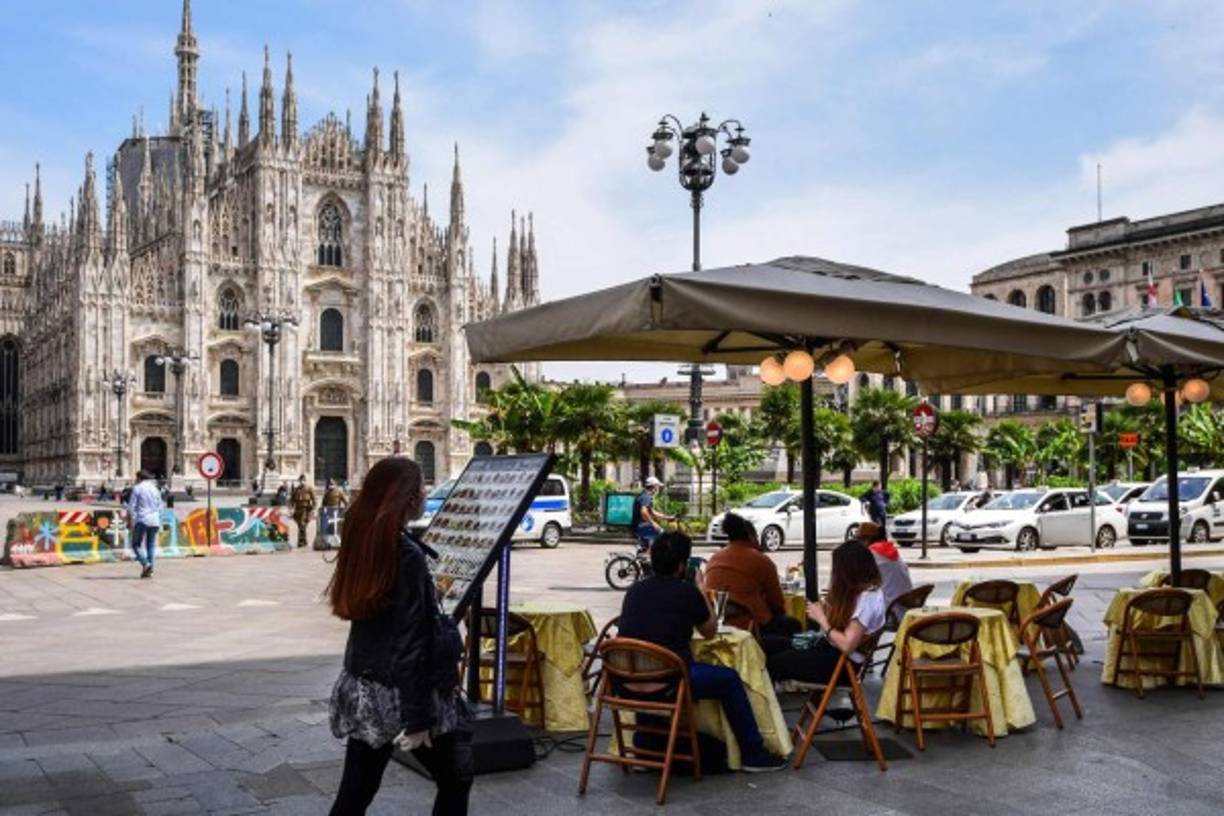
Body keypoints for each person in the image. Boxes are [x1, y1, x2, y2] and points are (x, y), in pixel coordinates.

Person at [326, 457, 471, 815]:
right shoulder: (405, 554)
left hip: (363, 686)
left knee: (356, 792)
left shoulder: (363, 540)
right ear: (408, 498)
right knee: (456, 778)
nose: (424, 495)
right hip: (400, 694)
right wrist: (418, 719)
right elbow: (410, 644)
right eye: (421, 488)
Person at [617, 531, 789, 772]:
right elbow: (709, 631)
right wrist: (700, 589)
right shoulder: (687, 592)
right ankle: (752, 753)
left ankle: (647, 746)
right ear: (682, 565)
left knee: (657, 665)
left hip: (624, 682)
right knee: (729, 680)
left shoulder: (634, 591)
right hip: (669, 683)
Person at [766, 542, 886, 685]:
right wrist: (827, 610)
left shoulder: (867, 599)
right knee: (768, 644)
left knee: (772, 663)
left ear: (849, 571)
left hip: (840, 666)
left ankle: (760, 705)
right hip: (831, 653)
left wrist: (822, 619)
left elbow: (847, 645)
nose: (834, 574)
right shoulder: (867, 592)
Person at [705, 513, 800, 638]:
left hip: (716, 622)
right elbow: (777, 604)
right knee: (793, 625)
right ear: (751, 536)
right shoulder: (761, 560)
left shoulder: (714, 558)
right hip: (751, 625)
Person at [857, 521, 913, 608]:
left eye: (858, 539)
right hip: (904, 607)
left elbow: (857, 581)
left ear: (866, 539)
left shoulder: (871, 553)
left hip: (890, 610)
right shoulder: (889, 550)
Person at [125, 469, 164, 579]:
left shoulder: (137, 488)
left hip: (142, 519)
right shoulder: (155, 489)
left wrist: (130, 520)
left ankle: (146, 564)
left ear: (139, 478)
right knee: (150, 545)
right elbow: (160, 506)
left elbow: (131, 506)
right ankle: (150, 570)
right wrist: (160, 520)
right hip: (155, 520)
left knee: (136, 544)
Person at [631, 476, 674, 553]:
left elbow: (652, 512)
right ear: (654, 487)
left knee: (657, 540)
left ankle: (647, 554)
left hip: (638, 526)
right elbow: (644, 512)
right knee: (662, 534)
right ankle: (650, 555)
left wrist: (667, 517)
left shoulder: (644, 495)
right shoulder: (646, 497)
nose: (658, 489)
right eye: (657, 487)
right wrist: (653, 523)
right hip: (640, 526)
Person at [291, 475, 316, 548]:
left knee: (302, 524)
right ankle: (304, 541)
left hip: (305, 509)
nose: (302, 482)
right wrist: (291, 507)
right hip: (297, 509)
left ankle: (301, 541)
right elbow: (292, 499)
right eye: (301, 480)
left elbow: (314, 499)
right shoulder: (296, 489)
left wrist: (313, 508)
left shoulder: (309, 489)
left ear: (305, 481)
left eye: (303, 480)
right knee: (300, 526)